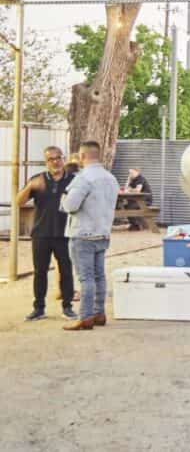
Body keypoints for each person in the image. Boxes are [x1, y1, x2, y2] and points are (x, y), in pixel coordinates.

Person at [60, 141, 119, 331]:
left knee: (86, 278)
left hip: (82, 233)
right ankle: (98, 312)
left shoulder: (83, 178)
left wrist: (63, 198)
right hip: (103, 233)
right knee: (99, 275)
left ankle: (85, 316)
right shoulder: (111, 178)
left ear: (82, 156)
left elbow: (71, 206)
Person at [17, 146, 77, 321]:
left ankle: (67, 307)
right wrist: (29, 187)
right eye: (51, 159)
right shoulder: (37, 180)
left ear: (63, 159)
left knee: (66, 270)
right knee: (40, 271)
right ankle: (39, 308)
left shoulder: (73, 180)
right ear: (46, 162)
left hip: (65, 233)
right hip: (41, 233)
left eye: (59, 157)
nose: (56, 161)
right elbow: (18, 201)